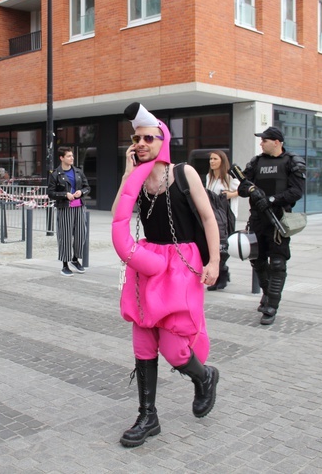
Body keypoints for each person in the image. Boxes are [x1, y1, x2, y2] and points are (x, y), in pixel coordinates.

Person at [111, 103, 220, 448]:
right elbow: (117, 215)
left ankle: (205, 377)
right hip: (147, 262)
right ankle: (148, 415)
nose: (141, 143)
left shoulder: (184, 172)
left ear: (163, 140)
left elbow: (207, 218)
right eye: (136, 139)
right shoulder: (138, 180)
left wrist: (214, 261)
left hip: (182, 263)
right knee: (143, 342)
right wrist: (129, 175)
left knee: (175, 349)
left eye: (148, 138)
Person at [238, 127, 306, 326]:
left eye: (264, 140)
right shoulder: (256, 162)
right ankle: (267, 294)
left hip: (278, 218)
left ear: (276, 142)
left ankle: (272, 306)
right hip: (258, 219)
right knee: (257, 261)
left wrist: (271, 199)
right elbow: (242, 186)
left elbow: (296, 191)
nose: (261, 143)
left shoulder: (292, 162)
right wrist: (252, 189)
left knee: (277, 262)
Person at [47, 146, 91, 276]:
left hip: (79, 207)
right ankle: (65, 265)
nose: (72, 158)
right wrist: (65, 195)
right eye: (69, 156)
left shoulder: (78, 172)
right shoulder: (55, 174)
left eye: (72, 156)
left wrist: (81, 192)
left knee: (81, 235)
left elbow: (87, 187)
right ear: (61, 158)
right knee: (65, 237)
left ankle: (75, 260)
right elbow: (50, 193)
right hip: (65, 208)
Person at [205, 150, 239, 291]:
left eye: (215, 159)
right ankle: (221, 273)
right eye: (211, 159)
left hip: (227, 215)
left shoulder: (230, 177)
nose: (212, 161)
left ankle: (222, 273)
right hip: (213, 216)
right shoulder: (209, 177)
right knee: (214, 245)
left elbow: (240, 191)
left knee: (223, 246)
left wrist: (226, 195)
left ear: (222, 161)